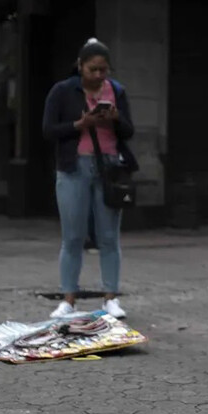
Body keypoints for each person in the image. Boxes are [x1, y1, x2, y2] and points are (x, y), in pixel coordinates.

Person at [42, 38, 137, 319]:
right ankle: (68, 299)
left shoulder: (116, 90)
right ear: (80, 66)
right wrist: (79, 125)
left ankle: (111, 298)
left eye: (103, 70)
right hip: (73, 168)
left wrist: (117, 119)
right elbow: (48, 130)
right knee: (73, 237)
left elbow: (130, 131)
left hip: (109, 167)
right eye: (93, 69)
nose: (98, 76)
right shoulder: (62, 91)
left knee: (109, 237)